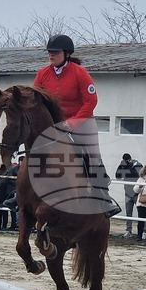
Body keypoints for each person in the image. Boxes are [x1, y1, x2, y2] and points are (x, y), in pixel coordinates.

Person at [31, 34, 120, 217]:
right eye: (49, 52)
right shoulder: (42, 74)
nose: (51, 55)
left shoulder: (79, 72)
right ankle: (19, 194)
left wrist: (72, 123)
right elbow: (36, 100)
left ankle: (103, 196)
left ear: (66, 53)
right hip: (54, 123)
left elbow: (90, 101)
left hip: (81, 121)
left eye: (55, 52)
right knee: (33, 152)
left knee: (92, 156)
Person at [115, 153, 141, 238]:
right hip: (128, 192)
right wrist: (121, 166)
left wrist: (129, 167)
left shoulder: (138, 165)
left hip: (137, 192)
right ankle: (128, 230)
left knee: (141, 213)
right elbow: (118, 176)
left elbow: (136, 174)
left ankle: (143, 231)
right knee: (128, 213)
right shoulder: (124, 166)